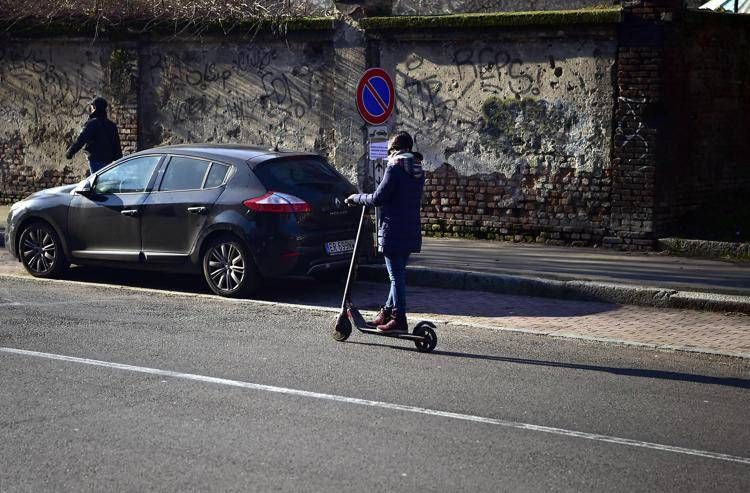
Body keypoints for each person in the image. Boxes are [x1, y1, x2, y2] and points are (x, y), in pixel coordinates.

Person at [346, 131, 425, 332]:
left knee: (395, 276)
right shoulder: (417, 170)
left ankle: (399, 319)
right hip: (411, 230)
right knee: (398, 273)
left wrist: (356, 198)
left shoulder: (394, 169)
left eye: (390, 149)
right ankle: (387, 312)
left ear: (394, 149)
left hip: (393, 230)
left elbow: (378, 198)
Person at [65, 96, 123, 174]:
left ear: (94, 108)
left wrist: (70, 152)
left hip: (96, 161)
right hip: (109, 162)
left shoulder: (92, 124)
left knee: (97, 183)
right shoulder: (112, 125)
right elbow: (117, 145)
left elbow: (81, 140)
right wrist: (119, 162)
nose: (91, 109)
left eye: (91, 107)